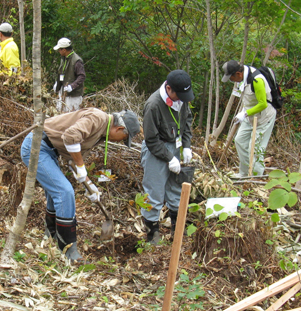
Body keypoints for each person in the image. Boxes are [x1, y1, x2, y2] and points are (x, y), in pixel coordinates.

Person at [21, 109, 141, 261]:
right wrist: (80, 165)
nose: (120, 141)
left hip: (50, 151)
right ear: (119, 129)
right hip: (36, 146)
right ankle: (68, 249)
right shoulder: (97, 119)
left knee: (56, 193)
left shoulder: (101, 133)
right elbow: (70, 137)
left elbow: (74, 159)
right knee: (64, 192)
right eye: (124, 138)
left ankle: (51, 235)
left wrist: (89, 186)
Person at [141, 70, 195, 244]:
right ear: (169, 89)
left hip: (176, 145)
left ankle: (177, 232)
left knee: (176, 190)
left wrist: (186, 146)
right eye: (179, 96)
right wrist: (168, 157)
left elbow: (187, 121)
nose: (182, 99)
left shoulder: (182, 99)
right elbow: (150, 139)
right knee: (153, 192)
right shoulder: (153, 105)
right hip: (157, 148)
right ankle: (152, 237)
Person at [221, 60, 276, 177]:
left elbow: (263, 104)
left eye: (231, 78)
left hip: (264, 118)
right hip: (249, 115)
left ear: (238, 74)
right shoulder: (242, 80)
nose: (231, 81)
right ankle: (245, 173)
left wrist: (245, 114)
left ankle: (256, 176)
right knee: (239, 141)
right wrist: (243, 113)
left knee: (255, 148)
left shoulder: (257, 80)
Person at [53, 38, 86, 113]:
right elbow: (62, 73)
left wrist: (72, 86)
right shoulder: (64, 59)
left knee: (72, 116)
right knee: (61, 114)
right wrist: (58, 84)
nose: (59, 51)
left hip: (73, 96)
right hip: (63, 93)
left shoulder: (77, 61)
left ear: (64, 50)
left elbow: (82, 76)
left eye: (59, 49)